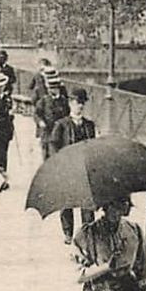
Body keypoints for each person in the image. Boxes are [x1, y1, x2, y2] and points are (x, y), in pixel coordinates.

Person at [50, 89, 98, 243]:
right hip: (68, 167)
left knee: (87, 202)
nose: (81, 106)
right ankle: (68, 233)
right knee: (67, 201)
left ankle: (87, 232)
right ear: (71, 103)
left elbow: (93, 145)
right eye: (78, 102)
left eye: (83, 103)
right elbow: (54, 145)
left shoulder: (89, 125)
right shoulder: (61, 124)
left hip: (84, 168)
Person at [33, 67, 70, 167]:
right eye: (50, 88)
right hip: (47, 132)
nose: (52, 90)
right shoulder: (44, 100)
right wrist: (40, 122)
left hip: (59, 132)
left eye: (54, 88)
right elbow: (36, 113)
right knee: (46, 156)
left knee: (58, 155)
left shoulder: (63, 101)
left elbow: (67, 114)